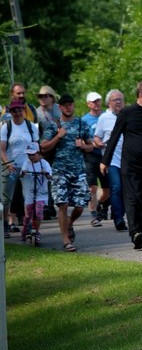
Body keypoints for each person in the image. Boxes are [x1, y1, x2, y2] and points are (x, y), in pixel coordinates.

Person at [100, 81, 142, 249]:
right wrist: (105, 161)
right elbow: (114, 136)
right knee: (132, 196)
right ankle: (135, 231)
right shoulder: (126, 113)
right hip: (130, 163)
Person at [41, 94, 94, 252]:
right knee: (62, 204)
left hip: (78, 170)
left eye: (70, 104)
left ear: (74, 105)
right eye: (64, 105)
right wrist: (58, 136)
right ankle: (66, 241)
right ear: (60, 107)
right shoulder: (54, 125)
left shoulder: (81, 124)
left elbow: (91, 146)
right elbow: (43, 147)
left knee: (80, 205)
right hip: (59, 170)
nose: (68, 107)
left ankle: (69, 223)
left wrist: (83, 146)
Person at [1, 99, 40, 237]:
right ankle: (5, 223)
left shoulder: (30, 127)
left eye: (19, 110)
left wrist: (35, 162)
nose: (17, 113)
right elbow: (2, 149)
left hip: (26, 166)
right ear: (10, 112)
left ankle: (27, 224)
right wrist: (7, 163)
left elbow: (36, 146)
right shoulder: (7, 127)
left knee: (27, 196)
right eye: (14, 110)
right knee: (7, 197)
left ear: (23, 110)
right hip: (11, 166)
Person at [94, 90, 127, 231]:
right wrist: (99, 143)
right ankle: (119, 219)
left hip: (127, 160)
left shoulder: (128, 115)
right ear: (109, 103)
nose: (118, 102)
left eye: (121, 99)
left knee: (126, 190)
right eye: (115, 99)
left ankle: (117, 212)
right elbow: (96, 137)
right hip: (112, 160)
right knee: (116, 187)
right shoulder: (104, 118)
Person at [82, 92, 110, 227]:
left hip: (106, 155)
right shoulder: (84, 120)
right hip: (91, 155)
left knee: (107, 189)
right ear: (88, 104)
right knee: (92, 187)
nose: (96, 104)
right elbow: (80, 141)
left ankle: (100, 204)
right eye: (93, 101)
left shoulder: (107, 116)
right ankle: (93, 215)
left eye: (98, 101)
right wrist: (92, 144)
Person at [19, 142, 51, 246]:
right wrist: (23, 173)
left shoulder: (44, 164)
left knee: (38, 212)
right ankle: (24, 231)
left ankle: (36, 231)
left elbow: (50, 177)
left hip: (41, 192)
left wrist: (46, 174)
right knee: (28, 214)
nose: (31, 157)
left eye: (33, 154)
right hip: (29, 192)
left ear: (38, 153)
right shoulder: (27, 163)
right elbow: (22, 174)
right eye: (29, 154)